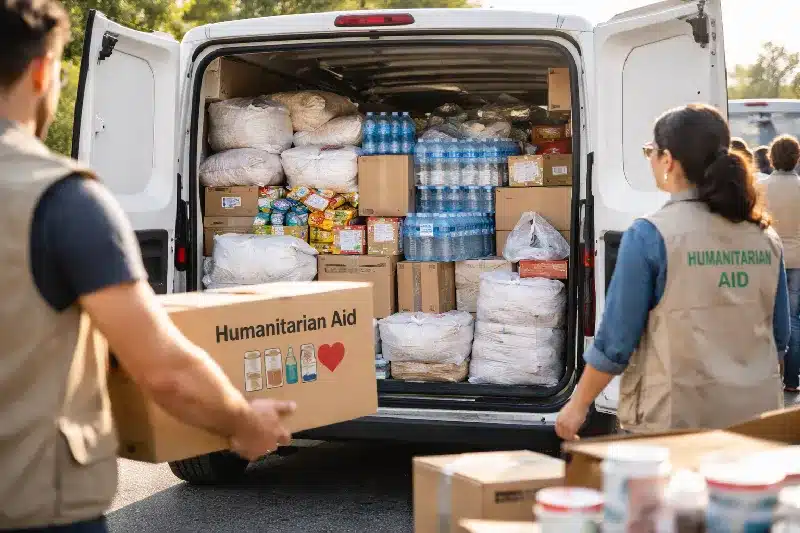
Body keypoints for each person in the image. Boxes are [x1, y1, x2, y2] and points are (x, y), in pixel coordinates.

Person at [0, 0, 295, 530]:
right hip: (29, 506)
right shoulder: (60, 200)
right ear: (42, 72)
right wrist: (242, 421)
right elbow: (164, 371)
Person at [556, 104, 789, 440]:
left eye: (650, 151)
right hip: (754, 423)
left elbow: (616, 342)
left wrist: (577, 405)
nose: (650, 159)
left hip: (676, 423)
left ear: (668, 160)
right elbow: (779, 337)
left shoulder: (650, 235)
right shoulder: (765, 237)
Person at [760, 135, 800, 392]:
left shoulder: (761, 187)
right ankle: (792, 380)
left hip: (768, 256)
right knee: (792, 317)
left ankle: (772, 375)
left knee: (769, 317)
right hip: (797, 259)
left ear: (771, 158)